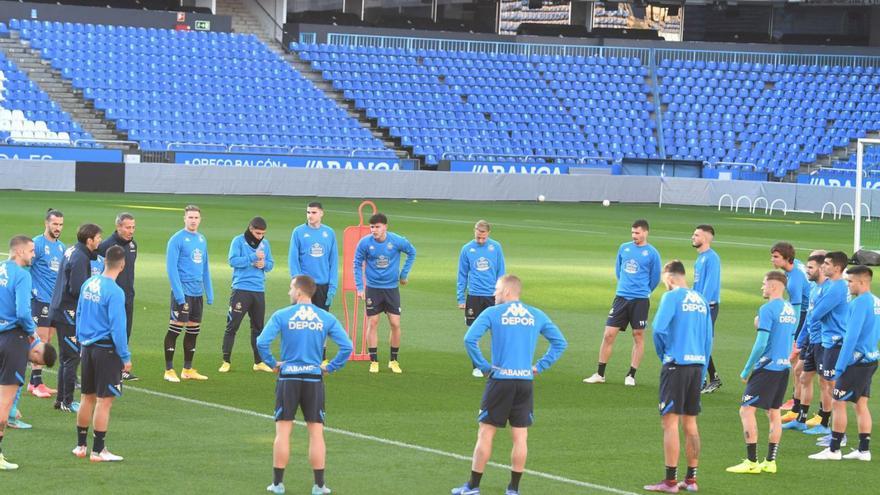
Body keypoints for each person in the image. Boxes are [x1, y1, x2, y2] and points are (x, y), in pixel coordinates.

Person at [452, 275, 567, 495]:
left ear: (506, 292)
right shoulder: (536, 314)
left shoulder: (492, 313)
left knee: (485, 433)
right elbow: (560, 343)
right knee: (520, 436)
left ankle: (473, 486)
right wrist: (540, 366)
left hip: (500, 381)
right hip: (525, 381)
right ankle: (513, 489)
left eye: (496, 289)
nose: (493, 294)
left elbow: (469, 339)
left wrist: (484, 367)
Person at [257, 275, 353, 495]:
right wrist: (330, 367)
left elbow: (262, 342)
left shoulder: (282, 315)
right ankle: (319, 486)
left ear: (299, 292)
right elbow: (346, 346)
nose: (289, 292)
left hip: (288, 378)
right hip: (313, 379)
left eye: (291, 288)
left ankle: (278, 484)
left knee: (283, 432)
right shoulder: (325, 317)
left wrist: (273, 363)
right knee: (316, 433)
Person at [644, 260, 712, 493]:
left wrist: (665, 355)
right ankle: (691, 480)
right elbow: (708, 339)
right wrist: (702, 370)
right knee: (690, 423)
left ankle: (670, 481)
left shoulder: (672, 297)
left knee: (669, 422)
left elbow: (658, 329)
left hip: (677, 364)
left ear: (670, 278)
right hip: (696, 366)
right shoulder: (701, 300)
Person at [726, 271, 797, 474]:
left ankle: (751, 462)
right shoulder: (790, 309)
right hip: (783, 367)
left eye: (764, 284)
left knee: (746, 410)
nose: (762, 287)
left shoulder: (767, 309)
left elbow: (761, 343)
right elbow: (788, 338)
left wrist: (748, 368)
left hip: (767, 367)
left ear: (774, 286)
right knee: (773, 412)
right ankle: (770, 462)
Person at [809, 264, 879, 461]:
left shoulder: (859, 303)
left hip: (855, 362)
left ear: (862, 282)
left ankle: (834, 449)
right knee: (860, 405)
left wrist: (839, 367)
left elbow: (851, 337)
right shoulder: (876, 302)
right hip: (871, 359)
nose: (847, 285)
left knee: (838, 402)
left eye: (850, 281)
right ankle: (864, 450)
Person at [0, 235, 58, 470]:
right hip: (14, 339)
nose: (34, 255)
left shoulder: (1, 268)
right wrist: (33, 333)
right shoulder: (22, 275)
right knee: (4, 403)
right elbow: (23, 312)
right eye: (32, 251)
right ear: (20, 252)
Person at [72, 245, 132, 462]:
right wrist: (125, 357)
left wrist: (81, 340)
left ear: (104, 261)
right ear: (122, 265)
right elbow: (118, 328)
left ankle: (80, 446)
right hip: (106, 350)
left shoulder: (89, 283)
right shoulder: (115, 291)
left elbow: (79, 313)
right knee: (104, 401)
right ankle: (98, 451)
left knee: (86, 397)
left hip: (87, 348)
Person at [584, 219, 661, 386]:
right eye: (632, 232)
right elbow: (618, 270)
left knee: (638, 335)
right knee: (609, 334)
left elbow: (655, 278)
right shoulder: (624, 248)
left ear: (645, 233)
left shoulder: (652, 253)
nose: (634, 236)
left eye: (637, 233)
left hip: (640, 300)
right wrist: (624, 286)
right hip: (621, 298)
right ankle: (600, 374)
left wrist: (644, 291)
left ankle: (631, 375)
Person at [353, 213, 416, 374]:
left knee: (395, 323)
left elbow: (412, 252)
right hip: (373, 288)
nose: (374, 230)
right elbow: (357, 264)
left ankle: (393, 361)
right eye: (372, 227)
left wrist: (403, 275)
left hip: (391, 288)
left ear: (385, 227)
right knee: (372, 323)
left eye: (377, 227)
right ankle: (373, 361)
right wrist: (360, 287)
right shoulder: (365, 243)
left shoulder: (396, 241)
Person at [50, 223, 103, 412]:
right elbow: (77, 289)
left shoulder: (73, 249)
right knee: (72, 356)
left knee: (66, 356)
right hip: (68, 312)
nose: (100, 241)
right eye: (98, 238)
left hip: (60, 309)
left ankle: (60, 399)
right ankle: (67, 400)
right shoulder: (80, 257)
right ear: (89, 240)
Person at [164, 205, 213, 382]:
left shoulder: (201, 239)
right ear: (184, 218)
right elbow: (171, 268)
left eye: (196, 217)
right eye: (190, 217)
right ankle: (169, 370)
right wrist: (179, 295)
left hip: (197, 293)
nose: (193, 220)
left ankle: (187, 369)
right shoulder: (176, 239)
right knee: (175, 330)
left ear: (200, 220)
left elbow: (205, 267)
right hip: (183, 292)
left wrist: (209, 291)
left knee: (193, 331)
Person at [220, 217, 274, 373]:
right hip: (241, 289)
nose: (260, 236)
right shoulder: (238, 241)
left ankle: (258, 362)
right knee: (232, 326)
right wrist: (253, 258)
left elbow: (271, 264)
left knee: (258, 328)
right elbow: (233, 261)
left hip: (258, 290)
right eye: (258, 233)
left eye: (263, 233)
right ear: (251, 229)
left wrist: (264, 265)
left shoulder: (265, 244)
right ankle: (226, 360)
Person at [803, 251, 849, 437]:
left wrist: (816, 310)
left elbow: (816, 313)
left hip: (834, 341)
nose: (824, 266)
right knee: (829, 385)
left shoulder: (837, 287)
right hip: (829, 340)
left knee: (833, 387)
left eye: (827, 264)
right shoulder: (833, 286)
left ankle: (837, 433)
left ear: (837, 268)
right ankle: (830, 428)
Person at [784, 253, 828, 433]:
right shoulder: (814, 289)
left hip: (825, 342)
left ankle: (824, 422)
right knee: (801, 373)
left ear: (821, 268)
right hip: (812, 339)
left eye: (810, 268)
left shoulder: (830, 289)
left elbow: (819, 317)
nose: (806, 271)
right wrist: (800, 342)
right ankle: (800, 417)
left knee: (825, 382)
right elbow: (810, 319)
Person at [457, 220, 505, 378]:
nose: (481, 240)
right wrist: (461, 298)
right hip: (474, 296)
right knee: (473, 333)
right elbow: (462, 274)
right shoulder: (467, 249)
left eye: (483, 238)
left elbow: (501, 271)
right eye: (478, 237)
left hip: (493, 296)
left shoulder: (496, 247)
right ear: (474, 232)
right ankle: (477, 367)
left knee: (497, 331)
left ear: (488, 233)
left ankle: (497, 365)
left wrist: (501, 294)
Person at [27, 209, 65, 398]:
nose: (58, 228)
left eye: (60, 224)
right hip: (40, 299)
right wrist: (31, 292)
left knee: (48, 339)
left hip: (54, 302)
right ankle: (36, 383)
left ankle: (34, 382)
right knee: (41, 341)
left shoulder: (61, 247)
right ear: (46, 223)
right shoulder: (37, 244)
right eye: (55, 224)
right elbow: (26, 267)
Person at [97, 212, 138, 381]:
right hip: (110, 297)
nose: (131, 231)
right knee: (110, 331)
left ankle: (121, 369)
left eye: (133, 227)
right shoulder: (106, 246)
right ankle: (107, 367)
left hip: (127, 296)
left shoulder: (133, 245)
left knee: (125, 331)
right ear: (118, 227)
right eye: (128, 227)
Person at [770, 242, 810, 408]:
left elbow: (797, 307)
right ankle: (796, 398)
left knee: (794, 358)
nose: (772, 260)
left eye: (776, 257)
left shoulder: (793, 281)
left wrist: (793, 333)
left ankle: (796, 399)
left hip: (804, 316)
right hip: (808, 312)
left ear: (787, 258)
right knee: (796, 360)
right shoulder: (797, 265)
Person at [289, 202, 337, 312]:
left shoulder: (329, 233)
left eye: (314, 212)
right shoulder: (298, 232)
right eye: (308, 212)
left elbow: (333, 262)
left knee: (320, 325)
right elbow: (293, 260)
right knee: (302, 323)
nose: (310, 215)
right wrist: (297, 284)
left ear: (321, 213)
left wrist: (332, 287)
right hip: (304, 287)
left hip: (323, 287)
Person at [691, 224, 722, 394]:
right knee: (699, 340)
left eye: (697, 235)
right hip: (698, 305)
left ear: (706, 238)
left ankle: (703, 379)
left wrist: (700, 305)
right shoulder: (700, 258)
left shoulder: (712, 258)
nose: (693, 237)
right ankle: (713, 377)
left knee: (701, 341)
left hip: (707, 306)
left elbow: (710, 285)